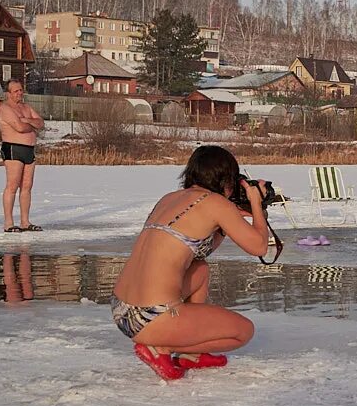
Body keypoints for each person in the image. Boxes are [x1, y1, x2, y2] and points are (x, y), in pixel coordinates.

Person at [111, 145, 272, 380]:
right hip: (154, 316)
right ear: (226, 179)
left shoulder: (169, 198)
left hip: (122, 310)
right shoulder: (217, 203)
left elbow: (197, 251)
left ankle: (193, 353)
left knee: (200, 270)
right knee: (244, 332)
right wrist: (256, 204)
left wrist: (228, 223)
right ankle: (160, 347)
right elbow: (259, 247)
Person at [0, 79, 44, 233]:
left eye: (21, 90)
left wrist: (27, 120)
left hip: (29, 150)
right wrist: (30, 124)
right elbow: (19, 127)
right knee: (12, 185)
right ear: (8, 93)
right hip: (13, 149)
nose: (19, 93)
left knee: (27, 186)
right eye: (16, 91)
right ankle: (8, 223)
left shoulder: (26, 107)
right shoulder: (5, 108)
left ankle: (25, 221)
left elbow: (41, 123)